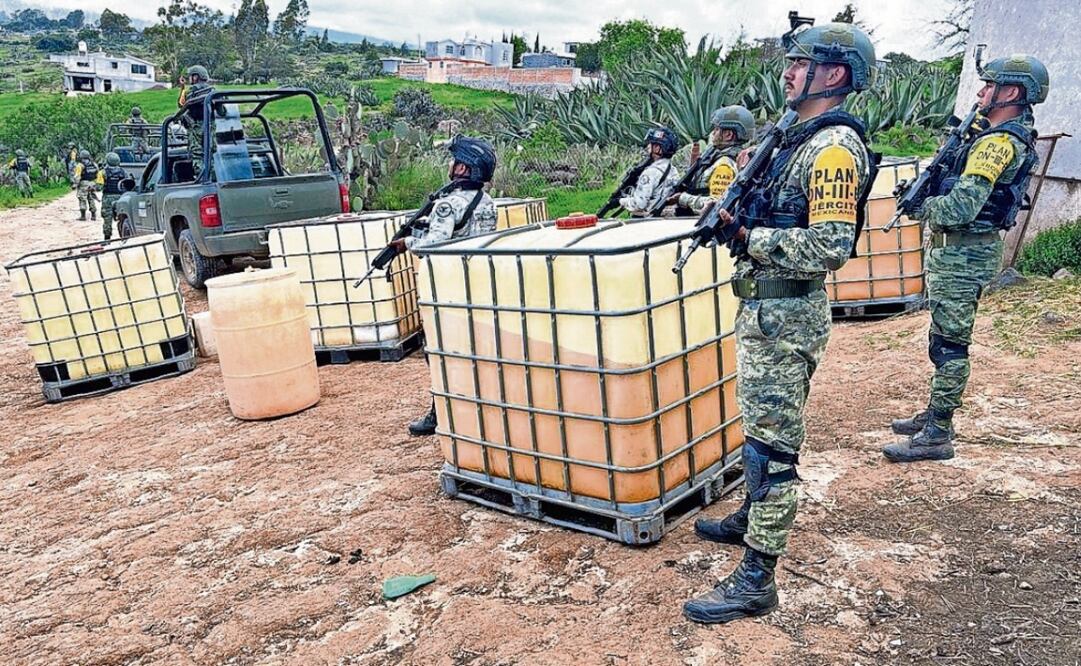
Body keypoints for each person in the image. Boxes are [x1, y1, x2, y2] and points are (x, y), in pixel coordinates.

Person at [682, 21, 877, 624]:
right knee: (758, 428)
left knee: (774, 446)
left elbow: (831, 245)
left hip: (788, 312)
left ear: (835, 73)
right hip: (765, 307)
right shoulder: (793, 136)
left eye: (800, 63)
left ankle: (758, 576)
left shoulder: (835, 148)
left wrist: (745, 235)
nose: (787, 72)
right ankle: (749, 517)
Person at [883, 55, 1048, 463]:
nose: (980, 92)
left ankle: (938, 433)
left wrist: (920, 205)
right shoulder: (993, 135)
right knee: (943, 339)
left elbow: (960, 209)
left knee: (950, 346)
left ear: (1010, 92)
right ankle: (936, 415)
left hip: (963, 256)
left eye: (988, 85)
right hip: (960, 254)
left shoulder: (996, 143)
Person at [405, 135, 499, 437]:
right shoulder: (487, 202)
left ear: (464, 168)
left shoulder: (447, 205)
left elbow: (430, 247)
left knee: (440, 350)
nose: (452, 165)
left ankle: (440, 413)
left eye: (456, 161)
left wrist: (406, 242)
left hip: (449, 287)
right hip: (478, 284)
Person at [668, 106, 755, 215]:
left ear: (728, 135)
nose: (713, 133)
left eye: (717, 129)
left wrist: (682, 198)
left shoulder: (724, 165)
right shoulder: (717, 156)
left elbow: (717, 204)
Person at [618, 127, 681, 216]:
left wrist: (620, 201)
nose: (648, 147)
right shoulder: (673, 169)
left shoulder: (650, 172)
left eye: (651, 144)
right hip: (668, 218)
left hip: (649, 220)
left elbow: (640, 204)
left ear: (657, 148)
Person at [100, 152, 127, 240]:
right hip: (120, 197)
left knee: (107, 218)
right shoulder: (123, 172)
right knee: (122, 217)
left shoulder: (103, 172)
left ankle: (107, 238)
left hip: (108, 198)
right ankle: (124, 236)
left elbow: (99, 186)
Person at [72, 149, 103, 221]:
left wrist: (75, 184)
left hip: (83, 183)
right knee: (91, 198)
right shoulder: (94, 164)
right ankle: (93, 215)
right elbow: (98, 174)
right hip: (92, 183)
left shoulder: (80, 165)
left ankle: (83, 216)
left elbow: (77, 176)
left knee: (82, 198)